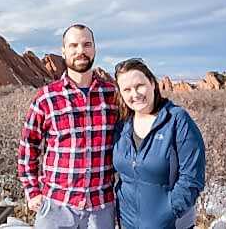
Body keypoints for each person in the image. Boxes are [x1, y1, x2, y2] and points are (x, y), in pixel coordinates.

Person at [18, 24, 118, 229]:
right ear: (63, 51)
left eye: (86, 44)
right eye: (73, 45)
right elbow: (28, 145)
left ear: (95, 49)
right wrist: (32, 191)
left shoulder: (113, 95)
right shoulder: (47, 96)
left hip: (100, 208)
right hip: (56, 205)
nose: (80, 51)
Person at [113, 58, 205, 229]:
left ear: (153, 84)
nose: (135, 94)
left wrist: (169, 212)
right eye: (127, 89)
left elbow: (192, 178)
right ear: (121, 94)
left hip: (170, 224)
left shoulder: (177, 120)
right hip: (127, 223)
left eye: (140, 85)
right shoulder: (123, 126)